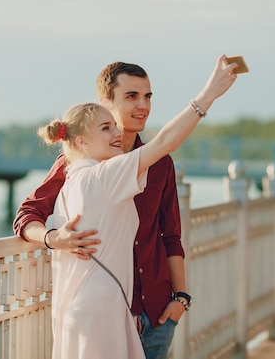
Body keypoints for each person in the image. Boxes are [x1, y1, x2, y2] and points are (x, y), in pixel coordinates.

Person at [15, 55, 239, 358]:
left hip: (156, 313)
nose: (142, 106)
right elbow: (28, 214)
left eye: (147, 96)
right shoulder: (78, 166)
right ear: (106, 101)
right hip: (108, 313)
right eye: (131, 96)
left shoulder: (158, 165)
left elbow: (170, 235)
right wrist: (54, 238)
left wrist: (181, 299)